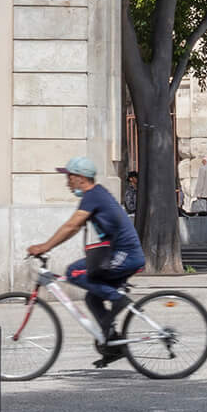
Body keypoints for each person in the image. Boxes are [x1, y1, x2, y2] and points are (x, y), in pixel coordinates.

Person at [24, 156, 147, 367]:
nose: (67, 182)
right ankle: (113, 345)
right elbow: (74, 228)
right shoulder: (95, 196)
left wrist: (45, 247)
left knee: (74, 272)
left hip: (126, 255)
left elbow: (71, 226)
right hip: (117, 253)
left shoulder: (93, 195)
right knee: (92, 298)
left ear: (80, 178)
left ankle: (118, 300)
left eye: (69, 177)